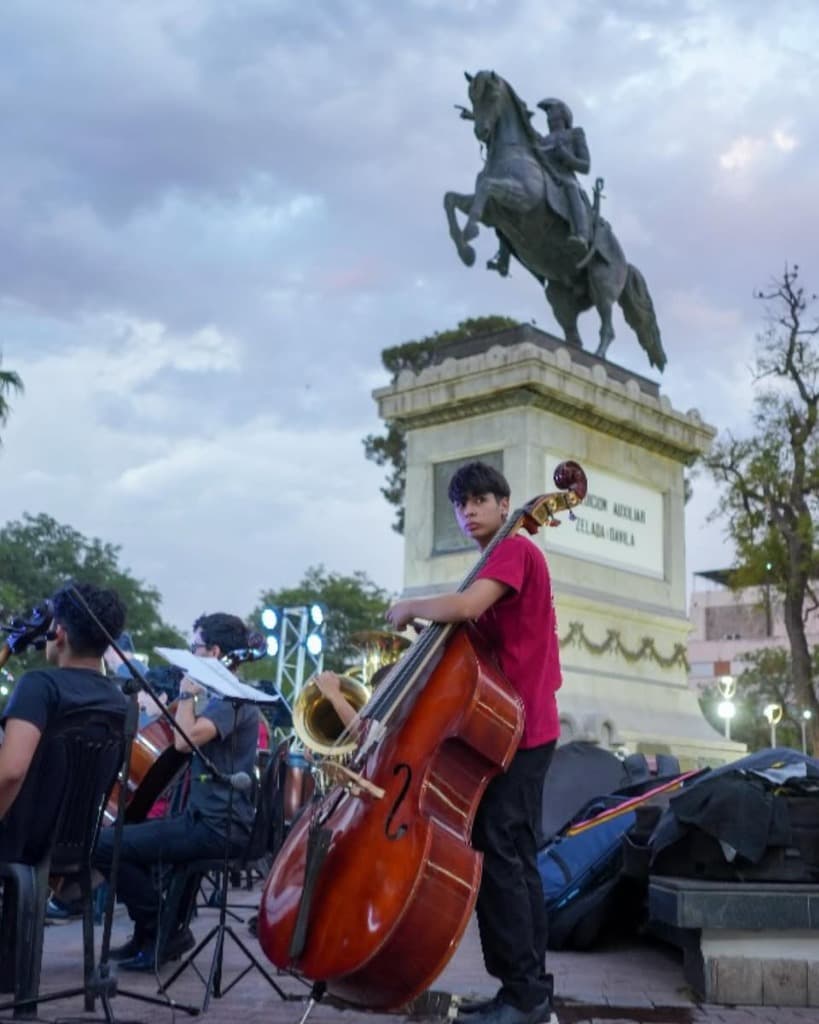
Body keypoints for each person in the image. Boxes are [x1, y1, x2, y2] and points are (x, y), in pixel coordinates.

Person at [386, 461, 560, 1024]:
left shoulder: (514, 550)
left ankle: (524, 996)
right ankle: (527, 991)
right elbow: (476, 634)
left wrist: (413, 606)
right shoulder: (497, 561)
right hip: (518, 728)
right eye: (461, 504)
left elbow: (464, 609)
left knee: (502, 857)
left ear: (505, 505)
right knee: (514, 859)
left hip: (520, 728)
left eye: (480, 500)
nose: (469, 511)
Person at [94, 612, 261, 971]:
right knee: (125, 842)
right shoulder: (223, 696)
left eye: (195, 647)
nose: (191, 652)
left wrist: (185, 692)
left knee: (105, 845)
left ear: (213, 652)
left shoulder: (233, 699)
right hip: (205, 819)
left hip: (217, 827)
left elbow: (186, 741)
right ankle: (150, 933)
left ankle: (160, 929)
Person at [0, 581, 129, 855]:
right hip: (76, 845)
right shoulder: (119, 702)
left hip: (18, 840)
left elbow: (10, 772)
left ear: (59, 633)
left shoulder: (39, 686)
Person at [536, 97, 591, 255]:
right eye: (547, 114)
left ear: (563, 114)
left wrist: (567, 157)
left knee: (571, 186)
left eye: (551, 111)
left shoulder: (575, 134)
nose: (549, 117)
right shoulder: (543, 140)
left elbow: (585, 166)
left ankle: (581, 235)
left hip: (566, 178)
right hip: (547, 176)